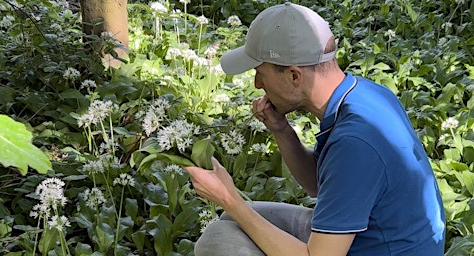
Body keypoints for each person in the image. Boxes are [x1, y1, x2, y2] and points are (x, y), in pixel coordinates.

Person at [184, 2, 446, 255]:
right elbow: (318, 185)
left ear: (294, 76)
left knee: (217, 241)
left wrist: (231, 199)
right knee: (233, 219)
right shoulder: (361, 94)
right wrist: (281, 130)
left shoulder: (355, 142)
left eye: (260, 74)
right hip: (371, 238)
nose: (256, 84)